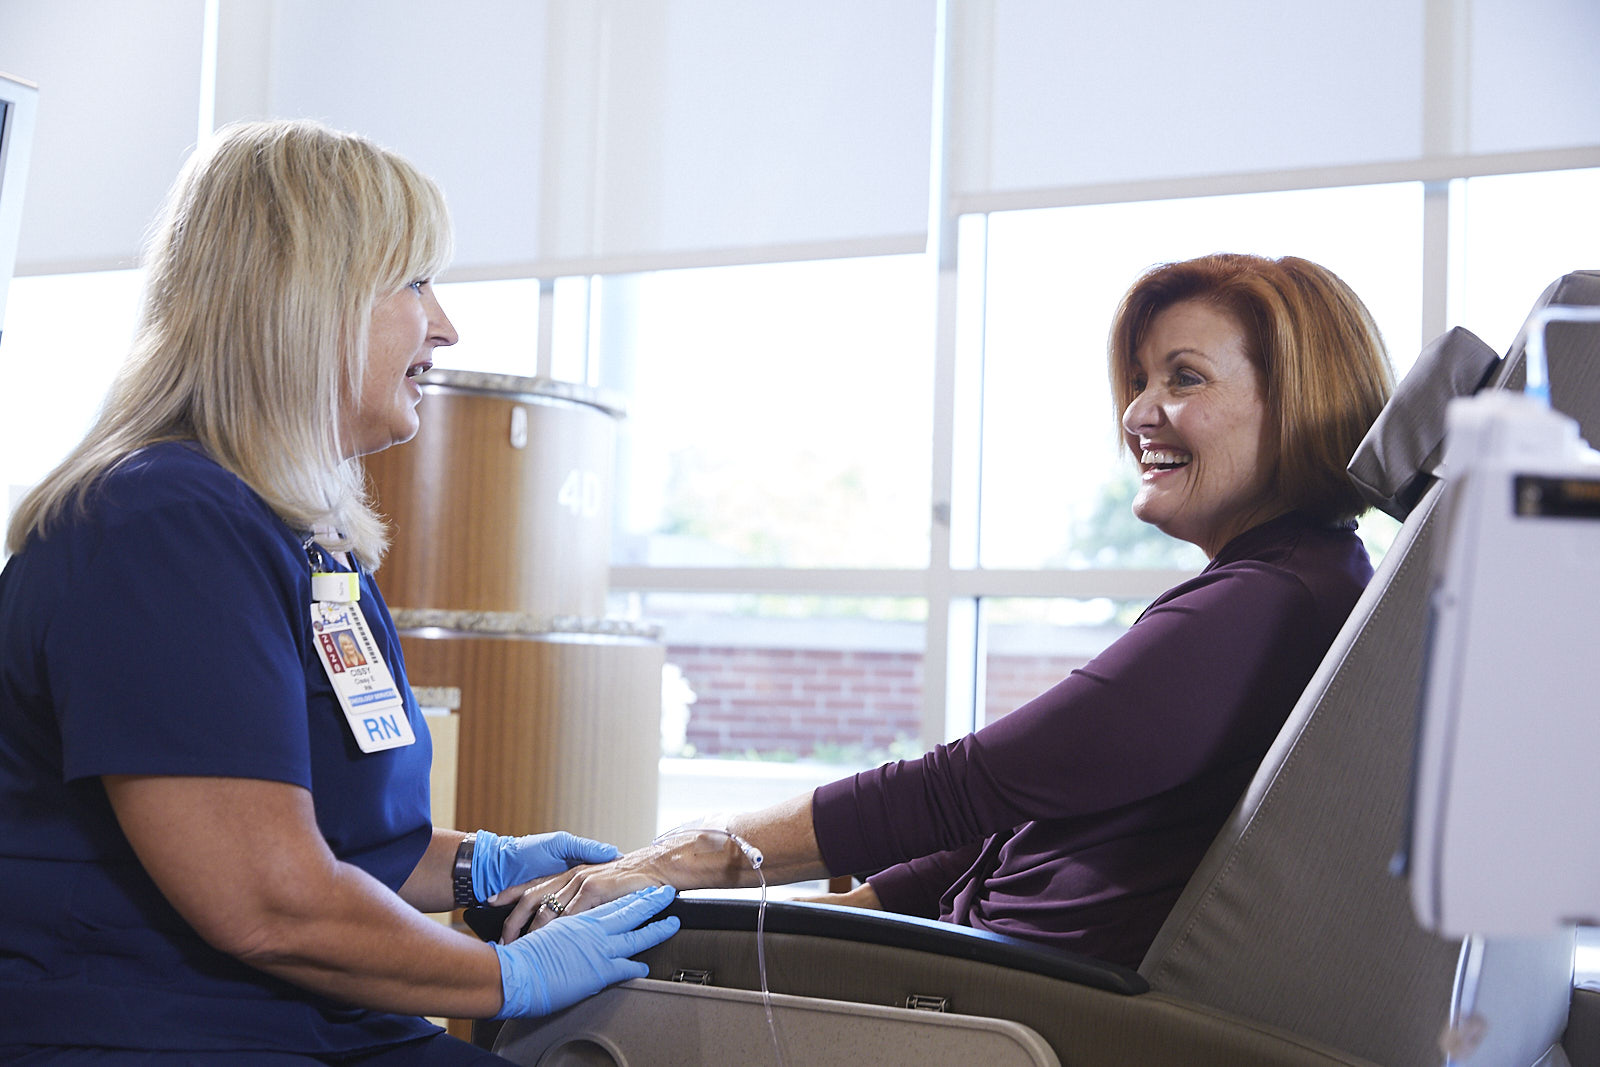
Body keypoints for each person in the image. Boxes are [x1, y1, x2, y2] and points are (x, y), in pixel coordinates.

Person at [493, 253, 1395, 970]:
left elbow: (964, 785)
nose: (1138, 412)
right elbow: (1027, 812)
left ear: (1296, 401)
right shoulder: (1299, 580)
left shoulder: (1259, 605)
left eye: (1185, 378)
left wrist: (683, 858)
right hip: (986, 963)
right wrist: (852, 912)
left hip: (1012, 995)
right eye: (1140, 379)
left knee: (559, 975)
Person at [0, 120, 677, 1063]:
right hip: (162, 1030)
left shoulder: (299, 537)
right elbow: (270, 898)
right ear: (308, 298)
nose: (446, 326)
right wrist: (503, 975)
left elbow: (338, 844)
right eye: (416, 282)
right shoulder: (159, 524)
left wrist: (478, 862)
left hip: (304, 1022)